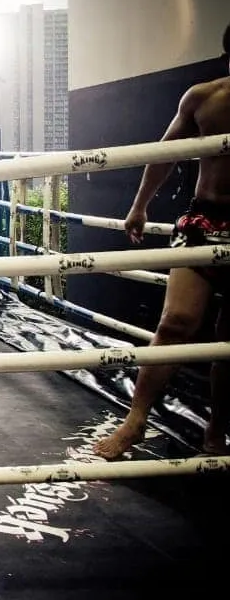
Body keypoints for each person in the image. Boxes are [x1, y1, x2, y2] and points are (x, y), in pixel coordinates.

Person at [94, 25, 230, 460]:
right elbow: (165, 151)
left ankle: (215, 429)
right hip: (205, 221)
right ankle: (134, 423)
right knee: (174, 324)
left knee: (227, 343)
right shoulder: (204, 97)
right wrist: (139, 206)